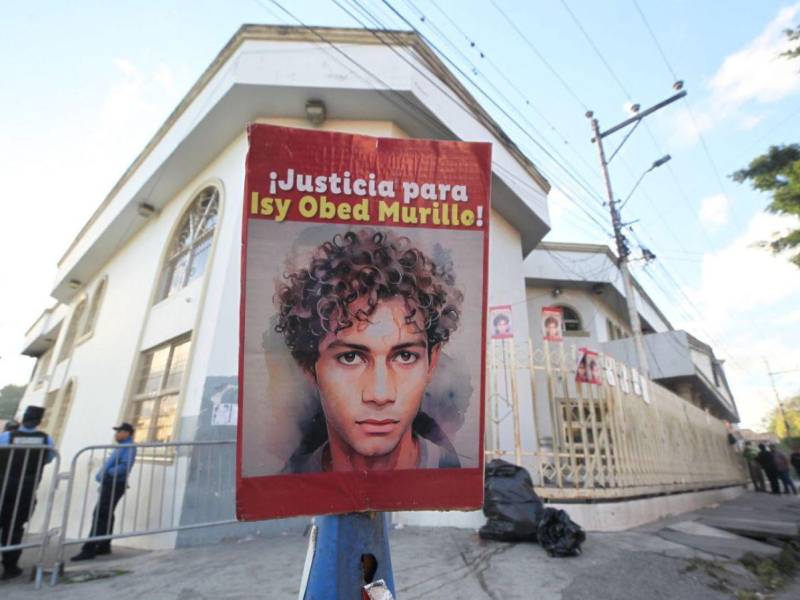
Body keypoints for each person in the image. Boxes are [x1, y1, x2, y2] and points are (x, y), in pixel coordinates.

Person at [275, 229, 463, 473]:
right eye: (350, 357)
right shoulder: (289, 489)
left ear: (432, 362)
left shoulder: (457, 478)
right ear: (309, 367)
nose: (380, 394)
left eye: (405, 356)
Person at [0, 406, 54, 580]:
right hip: (27, 488)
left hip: (4, 486)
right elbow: (49, 459)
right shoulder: (46, 440)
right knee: (15, 527)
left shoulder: (7, 436)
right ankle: (10, 566)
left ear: (23, 419)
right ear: (39, 421)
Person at [71, 423, 137, 561]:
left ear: (128, 433)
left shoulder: (129, 447)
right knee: (106, 514)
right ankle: (104, 545)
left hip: (115, 483)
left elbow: (125, 466)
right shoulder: (122, 446)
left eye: (119, 431)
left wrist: (108, 473)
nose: (116, 434)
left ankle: (89, 549)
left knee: (100, 513)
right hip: (111, 482)